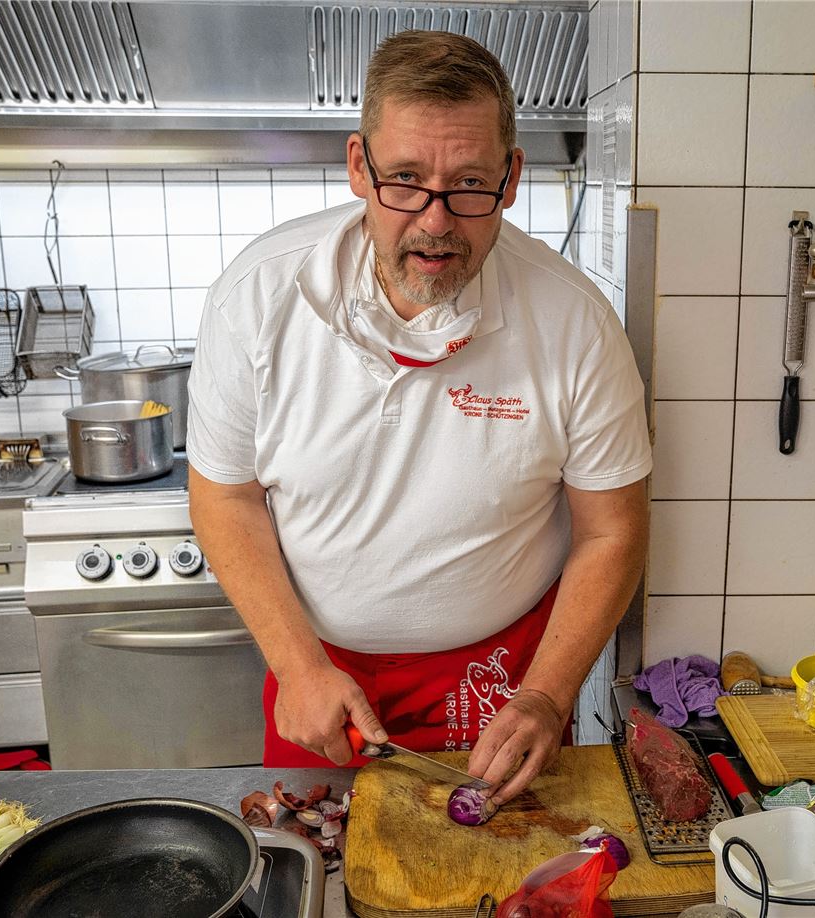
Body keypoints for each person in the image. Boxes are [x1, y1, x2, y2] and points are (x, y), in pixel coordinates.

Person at [186, 29, 652, 805]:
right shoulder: (257, 299)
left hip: (503, 682)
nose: (435, 222)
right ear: (357, 168)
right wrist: (298, 666)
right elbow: (224, 493)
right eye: (404, 179)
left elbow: (613, 529)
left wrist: (547, 695)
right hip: (318, 669)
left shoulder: (575, 322)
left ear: (511, 179)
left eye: (469, 184)